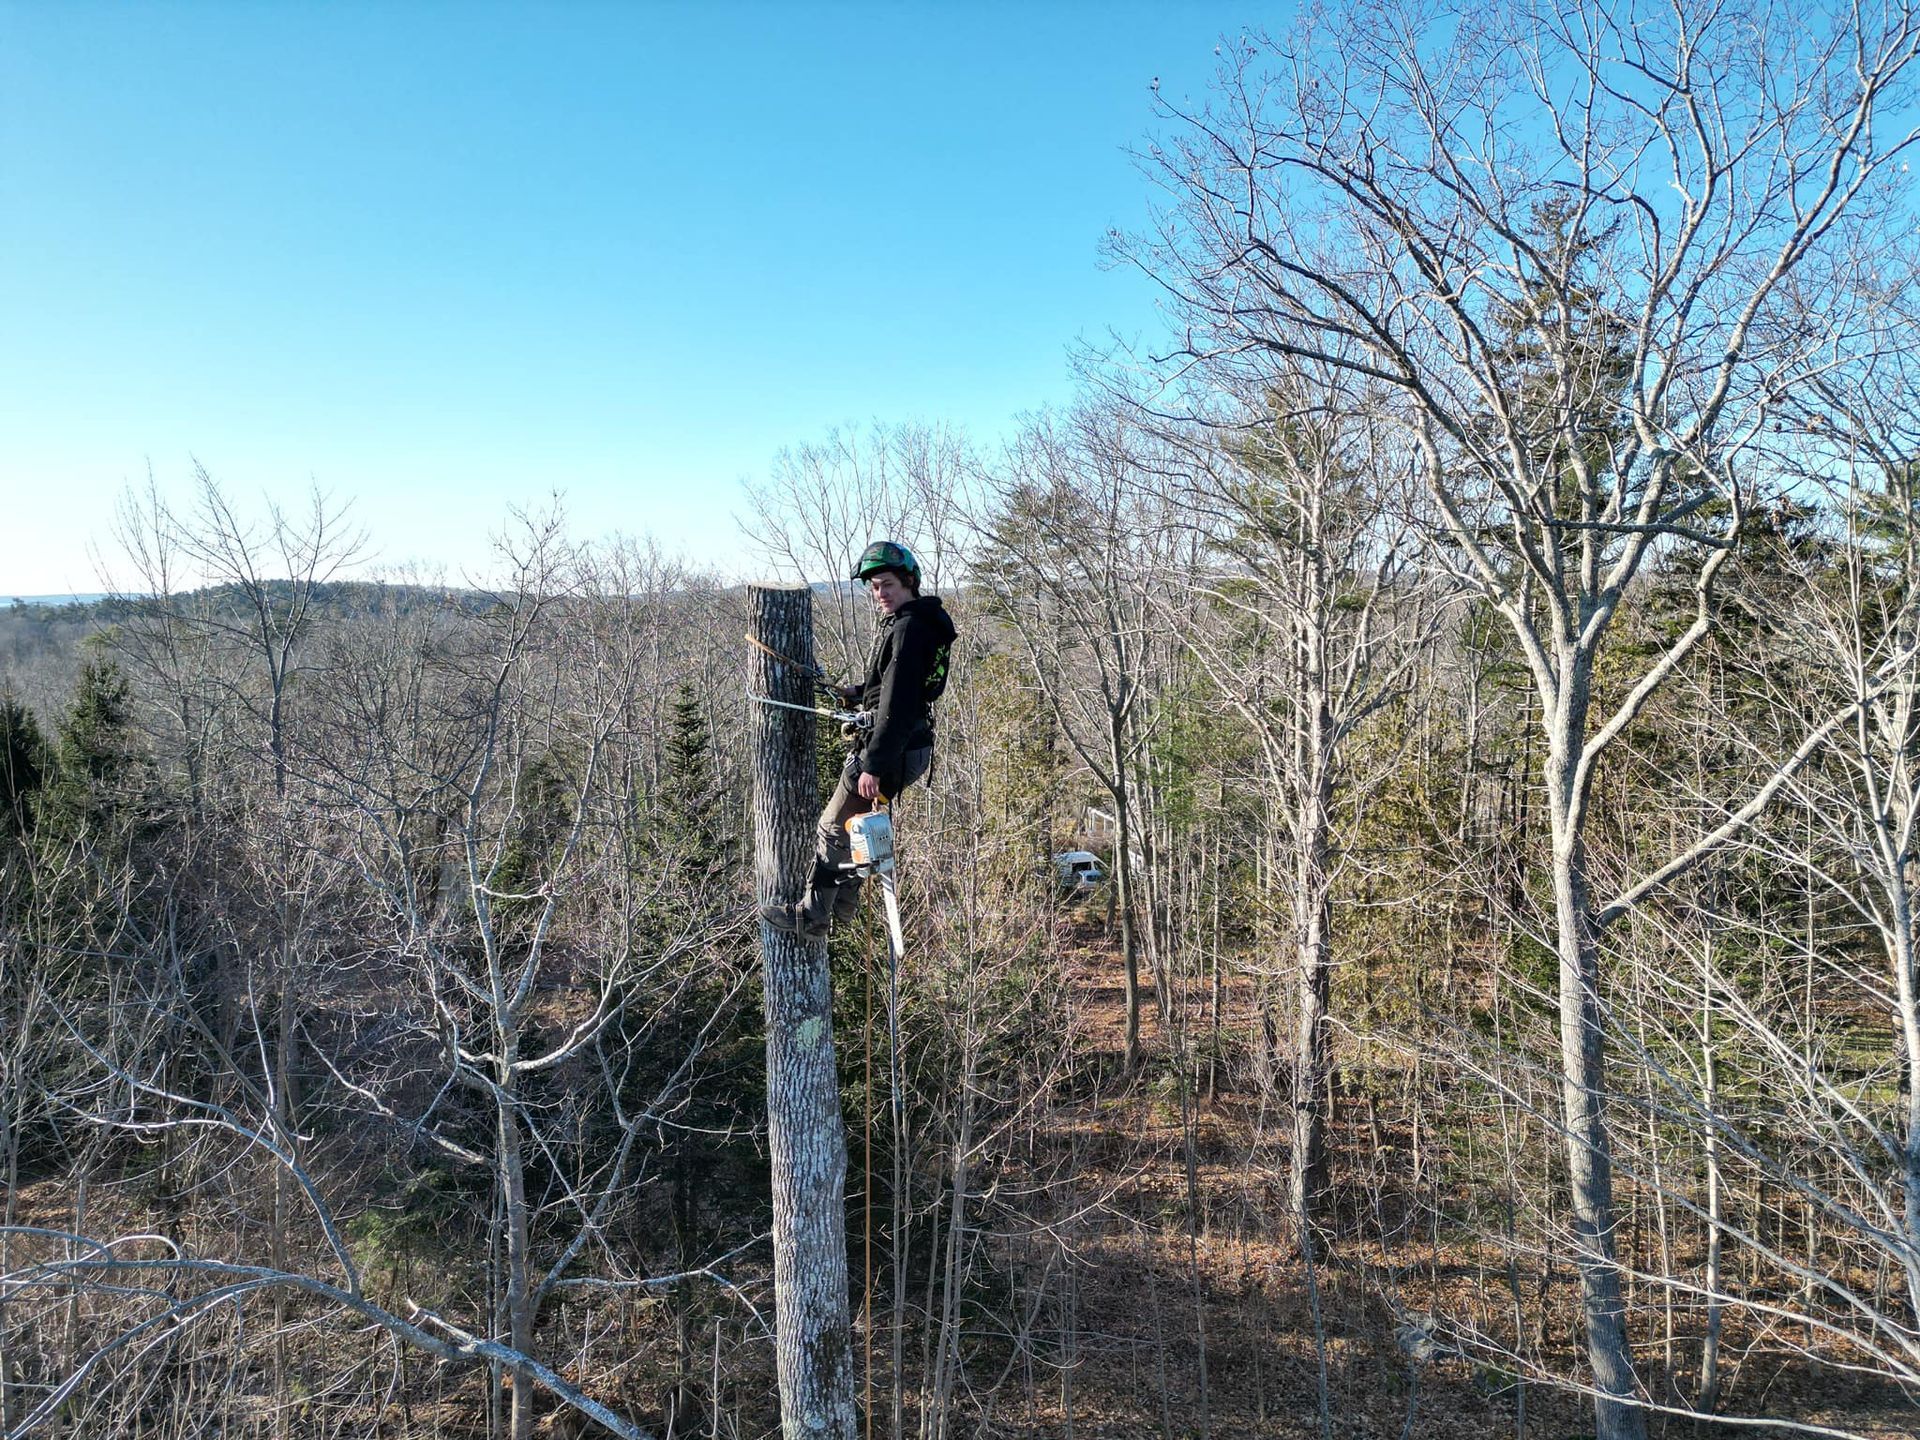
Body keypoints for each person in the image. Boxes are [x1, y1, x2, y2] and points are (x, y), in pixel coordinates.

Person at [762, 540, 956, 937]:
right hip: (910, 747)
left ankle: (812, 916)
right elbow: (894, 685)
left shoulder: (907, 629)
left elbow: (898, 703)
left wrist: (874, 765)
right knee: (853, 827)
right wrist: (857, 691)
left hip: (893, 750)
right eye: (874, 587)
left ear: (908, 582)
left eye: (886, 584)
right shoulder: (924, 622)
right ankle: (845, 907)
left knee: (833, 826)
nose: (880, 593)